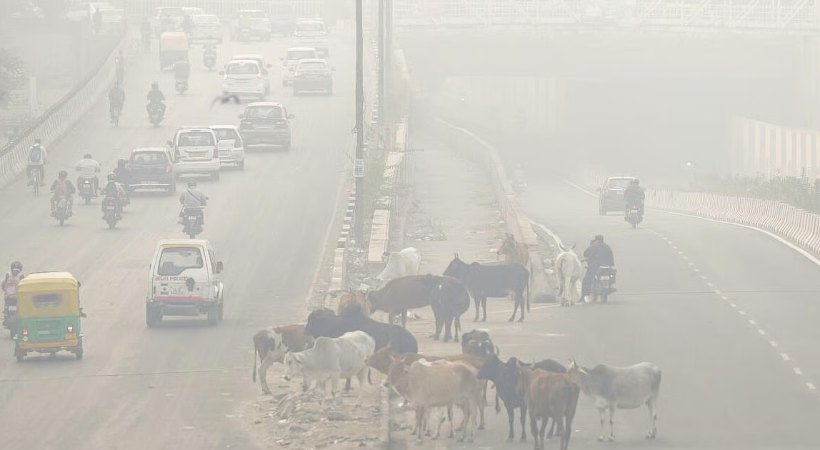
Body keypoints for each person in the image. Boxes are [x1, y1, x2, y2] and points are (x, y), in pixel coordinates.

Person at [581, 235, 615, 302]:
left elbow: (585, 254)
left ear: (596, 240)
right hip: (607, 266)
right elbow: (611, 257)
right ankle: (609, 286)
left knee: (586, 280)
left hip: (595, 267)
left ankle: (583, 296)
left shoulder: (593, 246)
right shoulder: (607, 246)